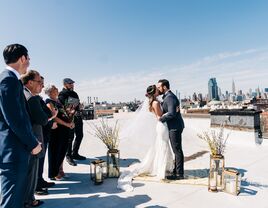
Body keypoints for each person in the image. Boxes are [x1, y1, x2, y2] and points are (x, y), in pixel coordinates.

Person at [0, 44, 42, 208]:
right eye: (28, 58)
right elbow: (15, 119)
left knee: (16, 199)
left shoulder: (9, 79)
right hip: (13, 151)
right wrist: (32, 143)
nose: (29, 62)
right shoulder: (8, 80)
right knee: (12, 201)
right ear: (22, 58)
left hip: (15, 150)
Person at [117, 85, 174, 191]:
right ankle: (160, 170)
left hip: (161, 126)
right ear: (154, 93)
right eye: (157, 90)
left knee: (160, 146)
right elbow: (159, 117)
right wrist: (171, 112)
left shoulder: (153, 102)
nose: (159, 90)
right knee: (163, 146)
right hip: (162, 126)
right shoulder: (156, 103)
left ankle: (162, 168)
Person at [21, 70, 49, 207]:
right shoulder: (31, 98)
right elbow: (43, 119)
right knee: (31, 174)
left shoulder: (23, 94)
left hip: (27, 141)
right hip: (33, 141)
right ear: (30, 82)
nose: (41, 86)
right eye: (39, 82)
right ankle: (30, 200)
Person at [45, 85, 75, 180]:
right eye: (55, 89)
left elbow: (65, 112)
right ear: (50, 92)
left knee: (62, 152)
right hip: (57, 131)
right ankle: (55, 173)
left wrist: (70, 120)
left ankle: (60, 171)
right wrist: (67, 124)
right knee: (56, 152)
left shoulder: (57, 101)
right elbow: (55, 117)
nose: (57, 90)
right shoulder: (49, 102)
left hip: (63, 130)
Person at [157, 79, 185, 180]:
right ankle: (177, 170)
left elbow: (172, 113)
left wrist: (161, 118)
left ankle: (179, 174)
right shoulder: (168, 97)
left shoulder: (170, 97)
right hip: (173, 126)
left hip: (175, 127)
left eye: (159, 87)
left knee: (177, 150)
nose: (158, 89)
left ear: (164, 87)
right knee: (176, 149)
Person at [58, 78, 86, 167]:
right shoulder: (62, 94)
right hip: (69, 119)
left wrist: (78, 106)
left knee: (80, 135)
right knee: (70, 137)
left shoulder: (74, 93)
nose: (72, 85)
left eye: (72, 83)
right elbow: (63, 105)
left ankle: (75, 153)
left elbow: (76, 104)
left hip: (77, 117)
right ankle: (68, 155)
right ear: (65, 84)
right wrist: (74, 104)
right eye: (70, 83)